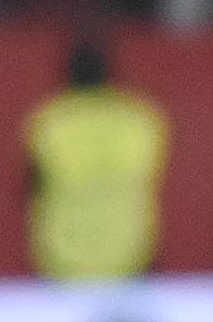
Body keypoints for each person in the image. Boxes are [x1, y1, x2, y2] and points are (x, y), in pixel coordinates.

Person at [24, 37, 168, 280]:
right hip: (131, 258)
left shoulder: (49, 122)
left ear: (67, 72)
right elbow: (153, 179)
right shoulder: (140, 120)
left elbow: (30, 187)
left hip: (62, 263)